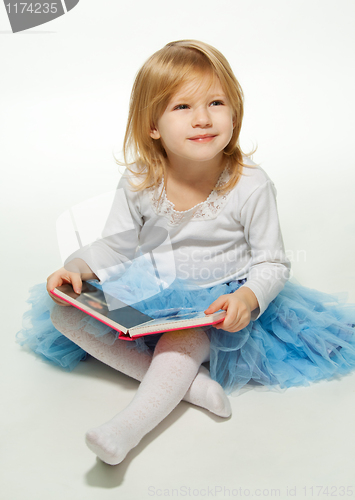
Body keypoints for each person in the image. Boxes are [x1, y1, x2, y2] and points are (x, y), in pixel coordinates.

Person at [18, 40, 355, 466]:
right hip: (153, 290)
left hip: (219, 302)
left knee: (181, 340)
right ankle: (191, 387)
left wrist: (247, 299)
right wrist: (77, 268)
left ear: (234, 112)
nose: (202, 118)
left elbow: (272, 262)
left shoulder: (250, 185)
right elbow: (117, 244)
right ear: (153, 125)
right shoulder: (141, 179)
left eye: (216, 102)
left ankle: (126, 428)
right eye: (182, 107)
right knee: (64, 314)